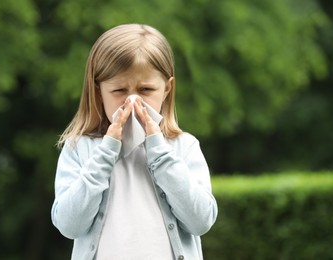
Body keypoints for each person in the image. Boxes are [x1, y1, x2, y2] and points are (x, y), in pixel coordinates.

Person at [51, 23, 218, 260]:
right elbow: (68, 225)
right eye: (119, 90)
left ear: (167, 89)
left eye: (146, 89)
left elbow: (201, 221)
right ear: (98, 90)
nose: (132, 102)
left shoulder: (184, 147)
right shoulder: (80, 148)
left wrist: (159, 151)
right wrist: (106, 152)